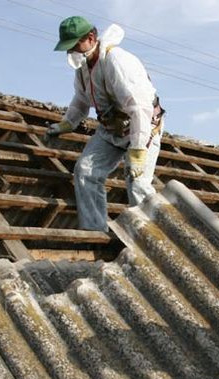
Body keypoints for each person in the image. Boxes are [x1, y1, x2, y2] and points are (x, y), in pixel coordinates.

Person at [47, 16, 165, 231]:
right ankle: (95, 230)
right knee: (85, 171)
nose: (71, 51)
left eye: (75, 45)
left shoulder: (116, 61)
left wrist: (138, 150)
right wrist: (67, 123)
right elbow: (81, 99)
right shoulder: (83, 67)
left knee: (137, 183)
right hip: (111, 129)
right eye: (68, 47)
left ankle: (155, 236)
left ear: (91, 38)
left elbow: (140, 108)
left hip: (141, 126)